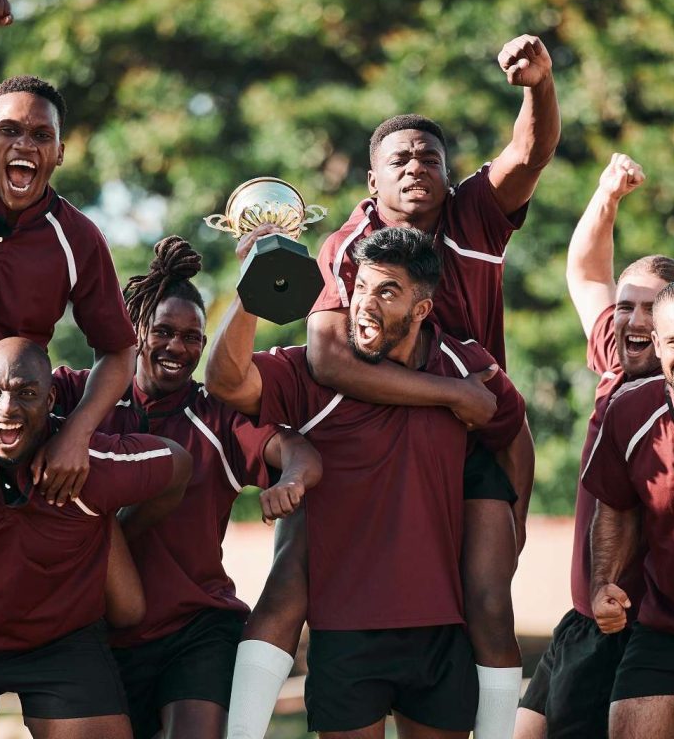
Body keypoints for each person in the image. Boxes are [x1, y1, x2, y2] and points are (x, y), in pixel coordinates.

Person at [226, 33, 559, 739]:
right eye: (398, 158)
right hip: (370, 430)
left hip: (465, 435)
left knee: (488, 602)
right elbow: (327, 362)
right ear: (371, 182)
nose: (416, 167)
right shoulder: (348, 247)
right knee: (292, 579)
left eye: (430, 157)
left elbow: (530, 154)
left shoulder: (475, 214)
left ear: (449, 173)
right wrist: (446, 395)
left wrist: (538, 85)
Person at [206, 227, 530, 739]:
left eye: (387, 292)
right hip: (346, 635)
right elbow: (224, 381)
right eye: (360, 288)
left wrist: (518, 524)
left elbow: (513, 434)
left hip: (441, 635)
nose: (364, 304)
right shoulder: (312, 375)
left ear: (422, 309)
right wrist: (252, 292)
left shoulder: (467, 368)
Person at [51, 235, 322, 739]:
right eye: (164, 331)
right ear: (136, 329)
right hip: (95, 633)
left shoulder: (214, 416)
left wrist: (291, 480)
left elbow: (297, 452)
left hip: (193, 629)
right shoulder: (81, 394)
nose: (178, 346)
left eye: (193, 338)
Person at [0, 0, 138, 507]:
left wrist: (75, 432)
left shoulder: (77, 237)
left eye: (40, 135)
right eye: (9, 130)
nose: (24, 144)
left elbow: (118, 351)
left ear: (60, 153)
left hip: (1, 437)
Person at [0, 337, 191, 739]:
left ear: (51, 398)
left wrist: (115, 534)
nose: (7, 408)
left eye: (26, 393)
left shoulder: (89, 463)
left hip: (60, 643)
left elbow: (178, 463)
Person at [514, 154, 674, 739]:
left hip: (628, 626)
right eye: (626, 306)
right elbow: (586, 273)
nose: (630, 318)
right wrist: (607, 194)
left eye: (649, 308)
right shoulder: (617, 363)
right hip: (580, 620)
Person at [584, 277, 674, 739]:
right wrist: (602, 586)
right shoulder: (629, 412)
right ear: (656, 345)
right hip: (673, 628)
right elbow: (616, 510)